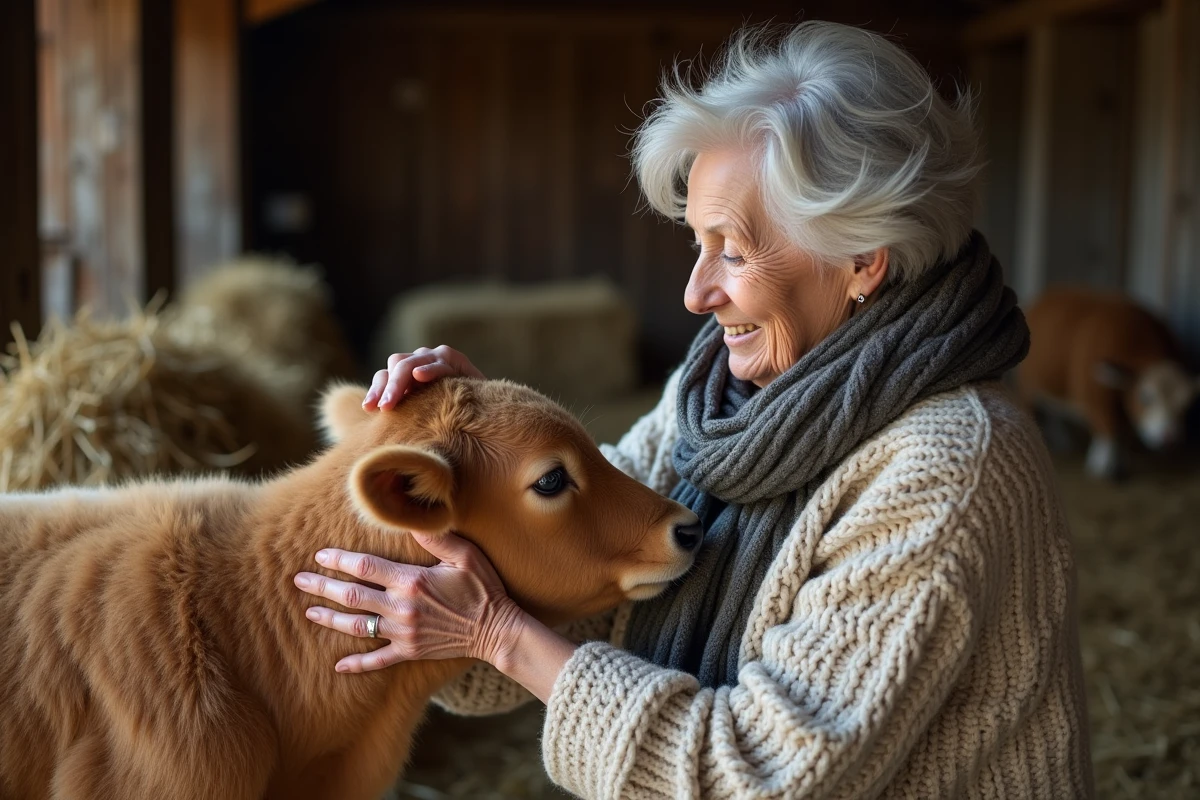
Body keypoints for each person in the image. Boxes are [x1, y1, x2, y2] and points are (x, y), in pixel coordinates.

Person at [294, 21, 1093, 798]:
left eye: (733, 251)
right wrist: (482, 447)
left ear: (861, 261)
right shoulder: (718, 395)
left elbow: (761, 777)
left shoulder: (951, 465)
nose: (695, 292)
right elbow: (580, 580)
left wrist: (500, 637)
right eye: (696, 244)